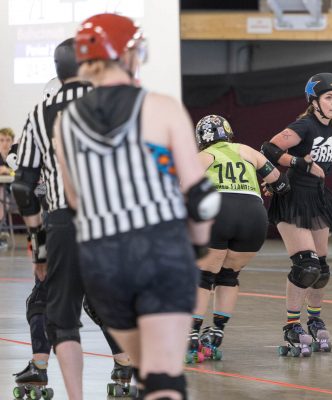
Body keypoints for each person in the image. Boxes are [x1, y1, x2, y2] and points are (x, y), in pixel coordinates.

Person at [54, 13, 220, 399]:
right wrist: (197, 246)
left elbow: (75, 201)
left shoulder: (65, 123)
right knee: (164, 381)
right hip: (160, 252)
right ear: (127, 54)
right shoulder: (160, 107)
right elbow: (201, 197)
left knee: (146, 372)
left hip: (102, 262)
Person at [12, 38, 135, 399]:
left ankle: (72, 392)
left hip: (63, 221)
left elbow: (22, 188)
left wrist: (39, 248)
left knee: (58, 313)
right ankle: (129, 369)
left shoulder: (40, 112)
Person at [261, 72, 332, 356]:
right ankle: (292, 326)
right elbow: (268, 149)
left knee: (321, 271)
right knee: (305, 266)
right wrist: (299, 164)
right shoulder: (304, 125)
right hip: (293, 199)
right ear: (314, 101)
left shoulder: (331, 127)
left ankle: (315, 319)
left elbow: (319, 157)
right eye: (329, 97)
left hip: (317, 199)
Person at [187, 114, 290, 362]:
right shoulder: (247, 151)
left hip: (219, 211)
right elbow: (281, 184)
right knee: (228, 276)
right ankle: (215, 335)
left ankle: (191, 338)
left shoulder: (203, 156)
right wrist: (268, 187)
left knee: (203, 276)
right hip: (254, 216)